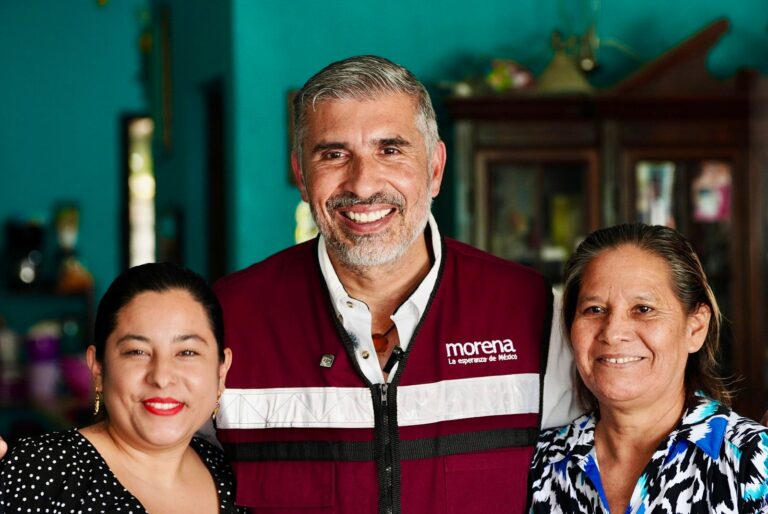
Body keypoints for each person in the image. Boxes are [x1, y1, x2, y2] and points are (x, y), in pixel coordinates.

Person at [212, 55, 579, 514]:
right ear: (302, 176)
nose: (363, 185)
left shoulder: (533, 311)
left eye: (390, 149)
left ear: (436, 168)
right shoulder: (226, 317)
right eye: (333, 154)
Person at [529, 223, 768, 513]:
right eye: (595, 309)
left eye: (643, 309)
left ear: (696, 328)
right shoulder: (539, 463)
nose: (613, 332)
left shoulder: (751, 462)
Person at [0, 263, 242, 513]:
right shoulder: (38, 472)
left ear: (221, 370)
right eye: (137, 352)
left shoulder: (233, 476)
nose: (161, 377)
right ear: (98, 368)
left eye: (187, 352)